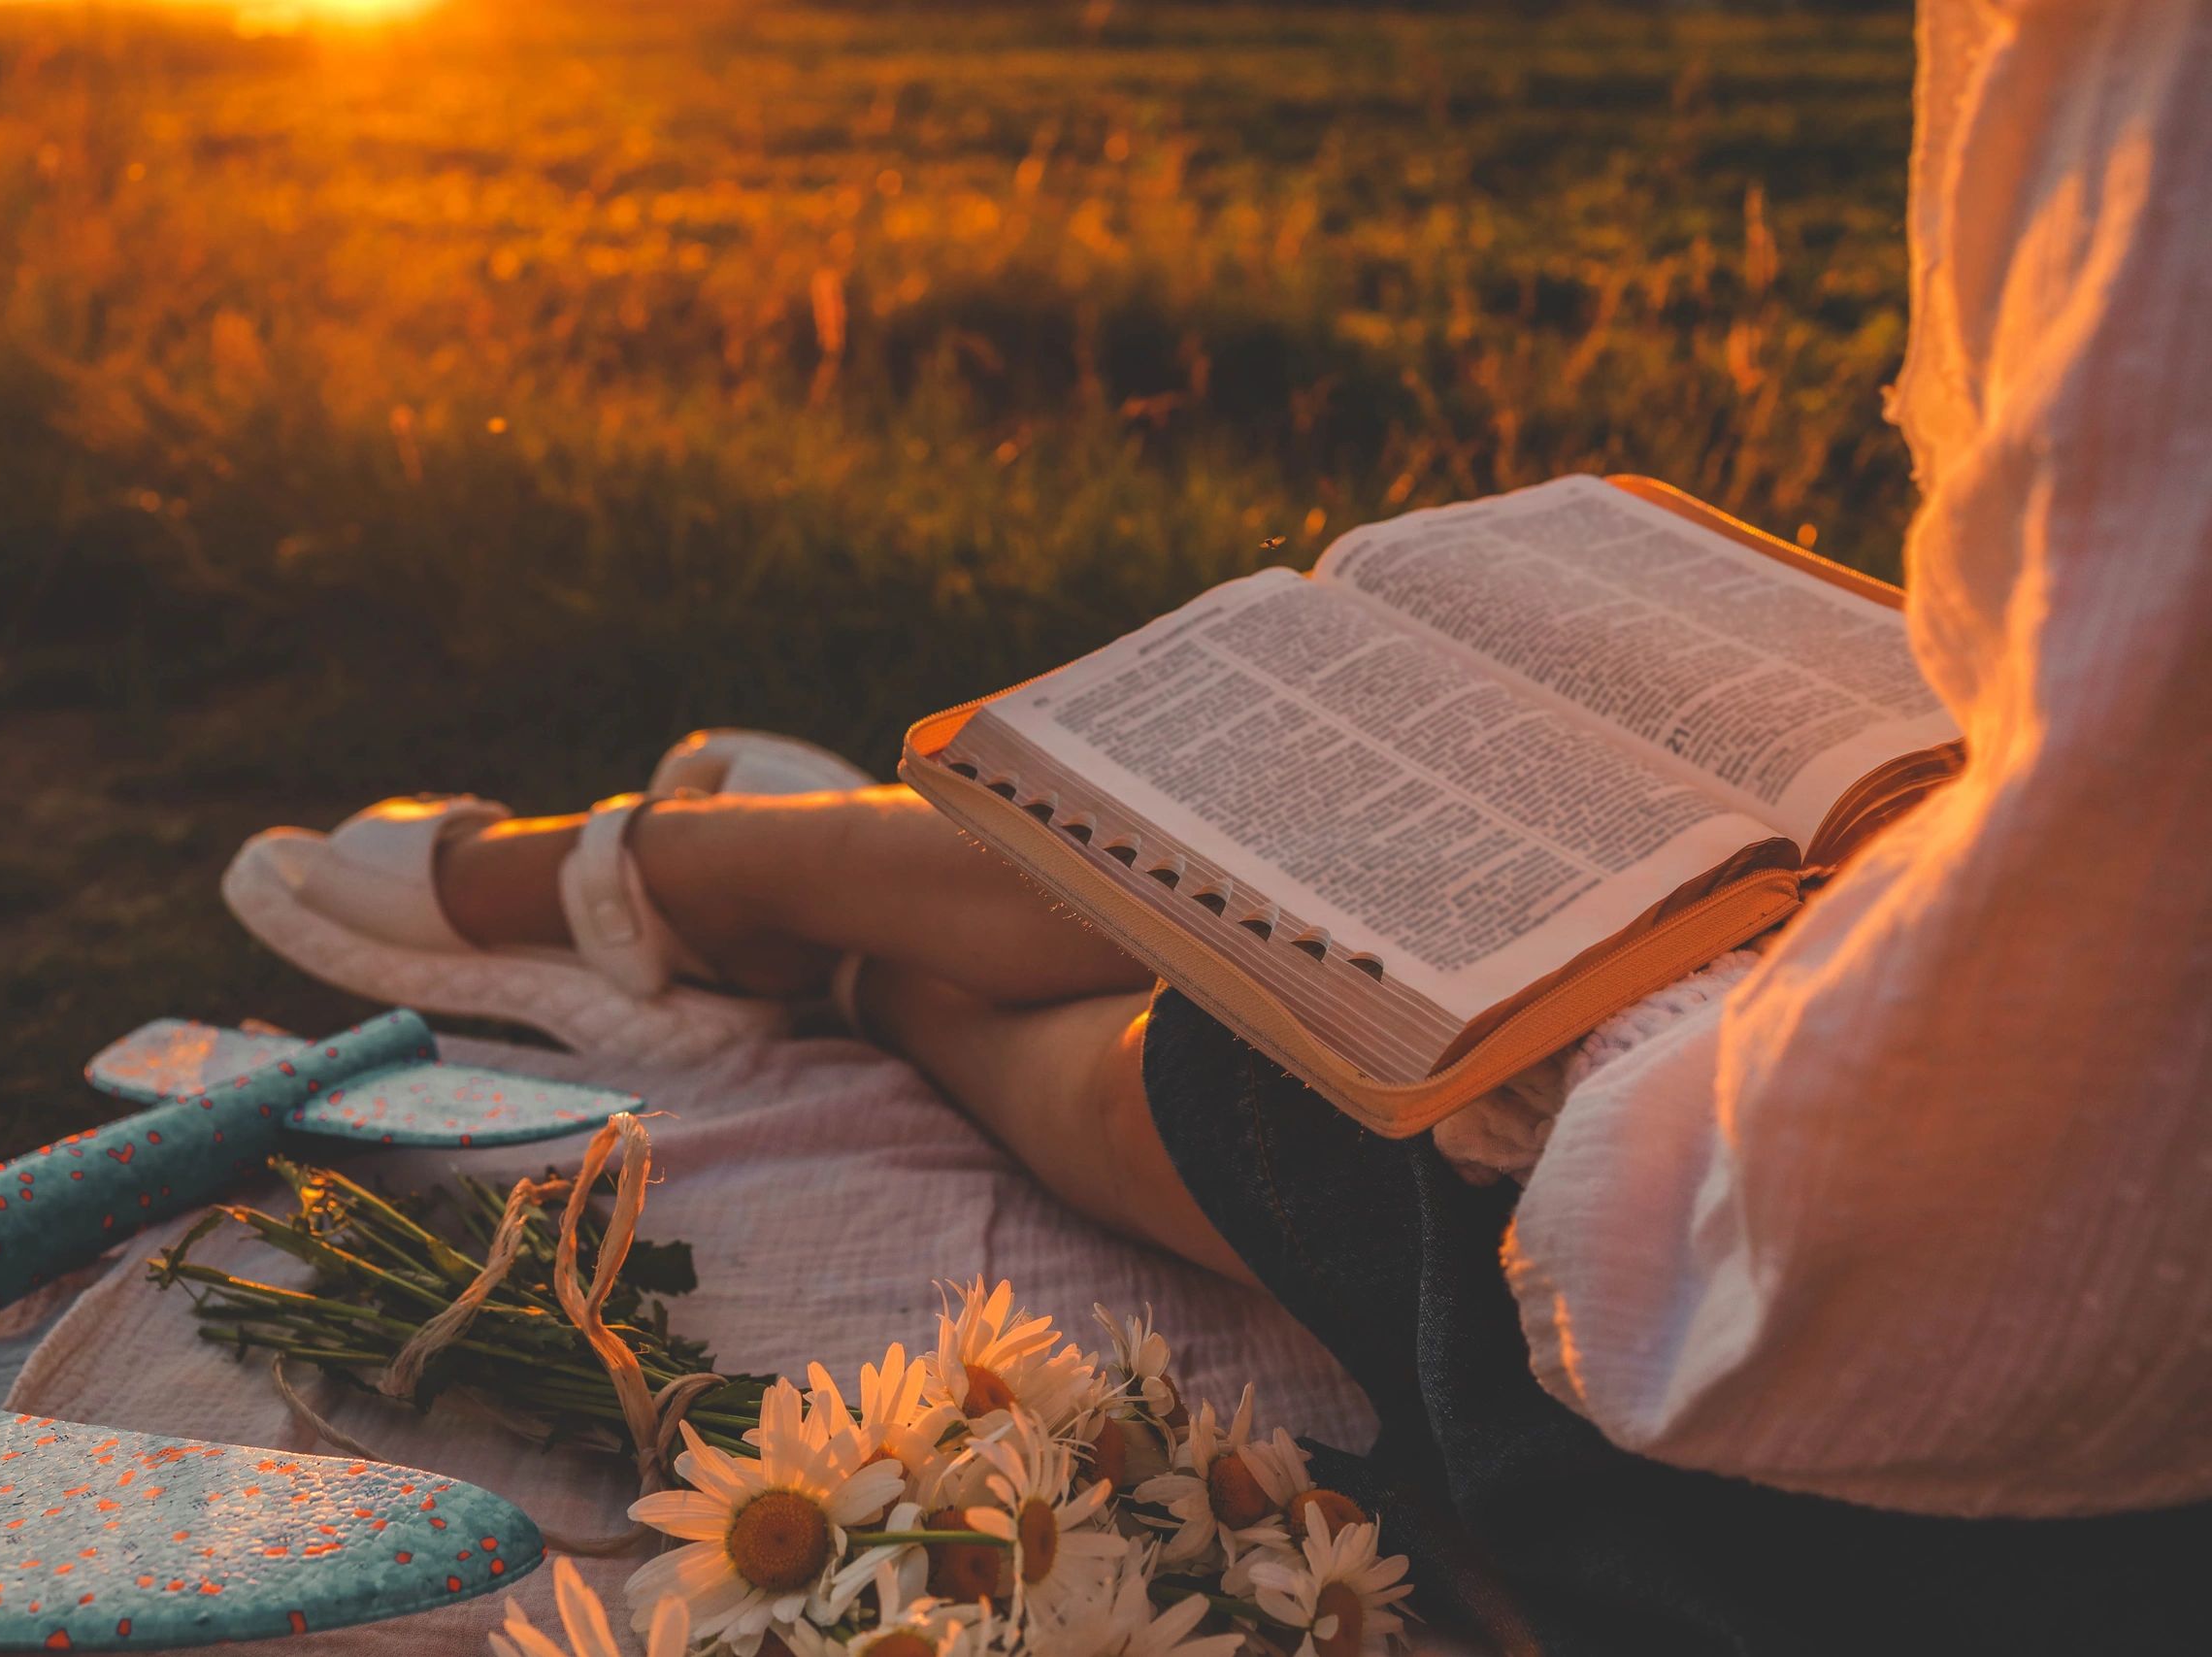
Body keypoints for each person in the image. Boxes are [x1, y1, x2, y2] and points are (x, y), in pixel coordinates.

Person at [230, 3, 2211, 1650]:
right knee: (1426, 874)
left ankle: (770, 920)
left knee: (1222, 1046)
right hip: (2047, 978)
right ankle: (721, 871)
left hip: (1974, 1332)